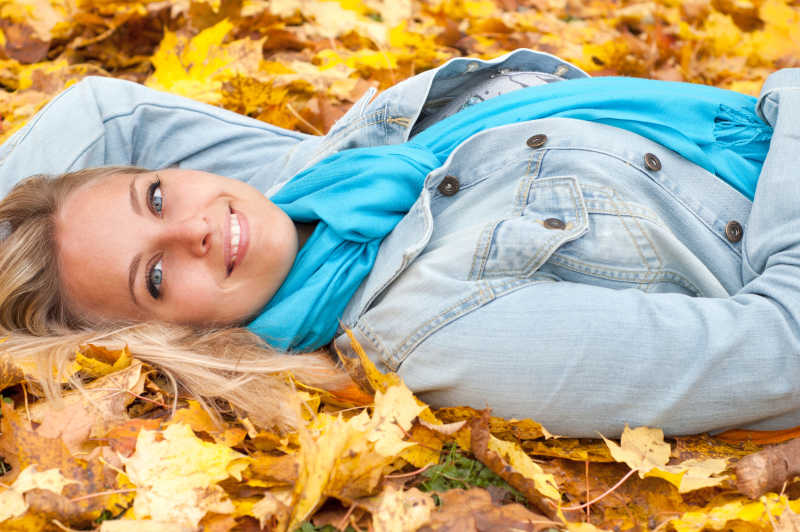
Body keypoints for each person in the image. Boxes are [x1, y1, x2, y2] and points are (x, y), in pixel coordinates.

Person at [1, 48, 799, 437]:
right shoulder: (437, 331)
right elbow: (781, 353)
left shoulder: (318, 182)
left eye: (155, 195)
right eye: (157, 276)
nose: (195, 228)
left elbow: (105, 115)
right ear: (165, 337)